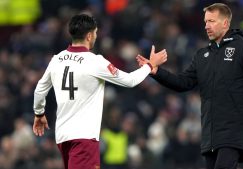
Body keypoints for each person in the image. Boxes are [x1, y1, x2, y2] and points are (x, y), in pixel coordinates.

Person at [136, 3, 243, 169]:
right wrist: (156, 72)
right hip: (210, 136)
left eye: (211, 21)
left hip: (234, 132)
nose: (207, 26)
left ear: (225, 23)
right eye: (205, 22)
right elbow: (183, 83)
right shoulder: (202, 55)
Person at [32, 14, 167, 169]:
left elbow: (39, 90)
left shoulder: (57, 59)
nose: (96, 36)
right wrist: (150, 66)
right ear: (89, 35)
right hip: (84, 138)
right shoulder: (95, 62)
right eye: (95, 33)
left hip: (63, 136)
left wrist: (39, 114)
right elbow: (130, 81)